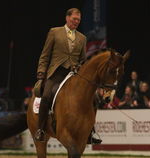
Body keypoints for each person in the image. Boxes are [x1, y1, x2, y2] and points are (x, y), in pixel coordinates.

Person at [34, 8, 101, 144]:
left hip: (74, 74)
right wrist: (41, 73)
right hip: (56, 73)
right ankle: (40, 129)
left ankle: (90, 131)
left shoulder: (82, 38)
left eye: (78, 20)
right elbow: (45, 55)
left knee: (94, 98)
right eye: (74, 19)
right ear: (67, 18)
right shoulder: (54, 32)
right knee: (46, 95)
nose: (76, 22)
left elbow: (82, 59)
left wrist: (80, 67)